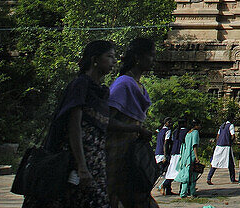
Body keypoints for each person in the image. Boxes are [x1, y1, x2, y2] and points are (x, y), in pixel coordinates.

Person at [25, 40, 118, 208]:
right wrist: (82, 166)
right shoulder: (81, 85)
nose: (114, 61)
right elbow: (74, 125)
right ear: (95, 60)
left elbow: (104, 125)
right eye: (110, 56)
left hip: (95, 163)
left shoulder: (102, 91)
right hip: (75, 164)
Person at [106, 37, 158, 208]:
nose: (153, 59)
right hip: (117, 152)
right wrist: (136, 129)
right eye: (150, 55)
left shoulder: (136, 85)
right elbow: (106, 121)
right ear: (137, 57)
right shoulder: (124, 84)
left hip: (131, 152)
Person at [173, 120, 201, 198]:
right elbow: (194, 145)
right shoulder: (195, 133)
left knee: (186, 175)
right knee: (193, 175)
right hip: (191, 155)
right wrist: (196, 157)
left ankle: (183, 193)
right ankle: (192, 192)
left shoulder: (188, 133)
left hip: (185, 157)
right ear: (196, 126)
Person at [206, 118, 236, 184]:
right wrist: (231, 142)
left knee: (215, 162)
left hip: (219, 146)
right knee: (231, 163)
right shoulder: (231, 125)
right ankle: (233, 179)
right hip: (226, 146)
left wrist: (217, 143)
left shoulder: (222, 126)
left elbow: (218, 136)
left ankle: (209, 177)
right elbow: (233, 135)